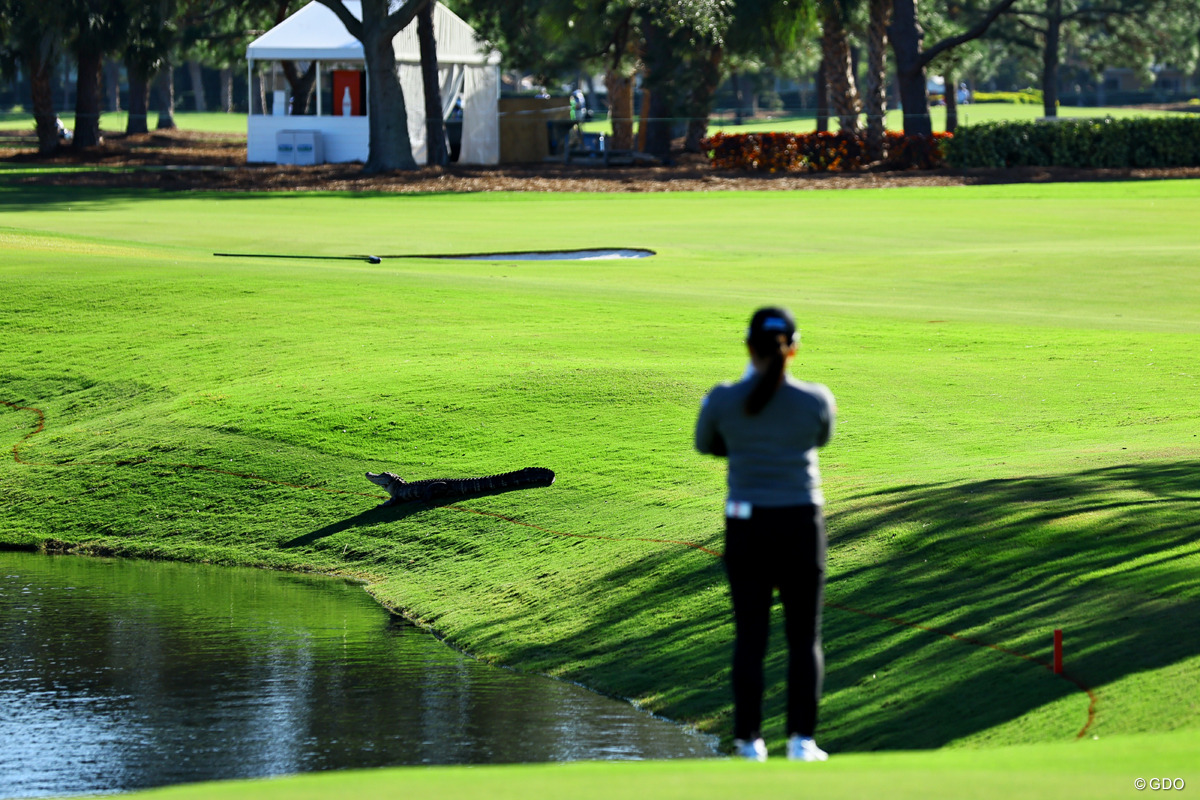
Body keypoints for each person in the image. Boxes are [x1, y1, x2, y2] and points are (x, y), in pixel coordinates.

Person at [694, 306, 836, 763]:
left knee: (751, 638)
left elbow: (707, 444)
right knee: (803, 638)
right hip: (800, 524)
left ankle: (750, 742)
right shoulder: (816, 399)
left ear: (748, 347)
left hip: (747, 525)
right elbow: (820, 437)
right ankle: (801, 742)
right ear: (792, 349)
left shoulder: (722, 399)